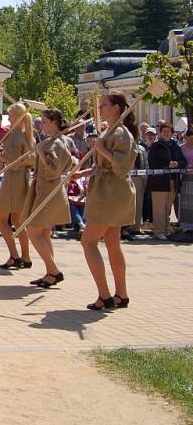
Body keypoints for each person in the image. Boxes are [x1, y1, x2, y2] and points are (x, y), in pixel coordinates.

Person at [75, 92, 139, 310]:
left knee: (88, 241)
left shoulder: (121, 133)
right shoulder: (110, 131)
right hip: (107, 190)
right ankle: (121, 293)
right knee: (112, 242)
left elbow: (122, 166)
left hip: (112, 193)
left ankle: (104, 296)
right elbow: (102, 165)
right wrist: (82, 173)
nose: (100, 108)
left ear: (116, 108)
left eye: (103, 105)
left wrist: (101, 149)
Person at [22, 109, 74, 289]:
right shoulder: (53, 142)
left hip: (48, 190)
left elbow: (53, 169)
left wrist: (40, 152)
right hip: (44, 189)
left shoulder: (56, 144)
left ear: (54, 123)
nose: (41, 125)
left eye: (44, 122)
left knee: (33, 231)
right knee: (44, 233)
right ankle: (49, 272)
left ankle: (54, 270)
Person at [0, 103, 35, 270]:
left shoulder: (15, 136)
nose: (8, 118)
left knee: (1, 220)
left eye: (10, 115)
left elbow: (14, 163)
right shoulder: (28, 135)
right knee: (17, 221)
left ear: (17, 117)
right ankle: (25, 256)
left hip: (13, 179)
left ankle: (14, 255)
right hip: (22, 179)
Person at [147, 122, 186, 239]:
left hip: (173, 181)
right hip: (159, 182)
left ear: (172, 133)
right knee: (159, 208)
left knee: (168, 208)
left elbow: (183, 162)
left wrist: (177, 163)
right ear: (160, 133)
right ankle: (159, 232)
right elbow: (152, 162)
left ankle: (164, 230)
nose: (166, 133)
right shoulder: (156, 146)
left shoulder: (175, 146)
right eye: (164, 131)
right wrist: (167, 164)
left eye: (169, 131)